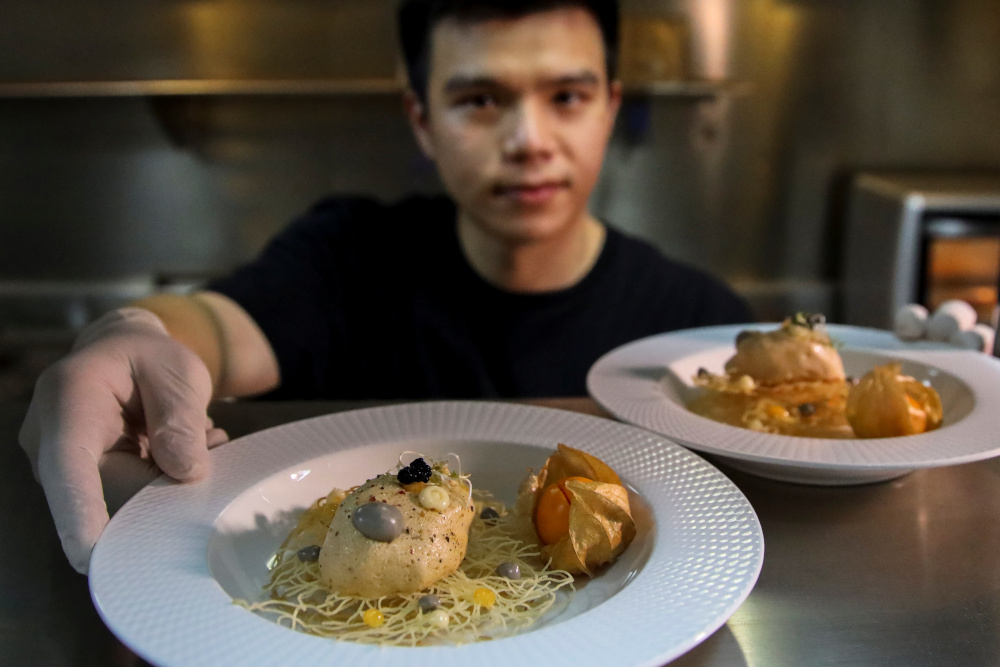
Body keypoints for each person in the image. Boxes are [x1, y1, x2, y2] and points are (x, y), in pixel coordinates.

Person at [19, 0, 751, 574]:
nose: (529, 139)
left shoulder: (697, 328)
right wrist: (130, 335)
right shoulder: (347, 257)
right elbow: (214, 325)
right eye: (481, 100)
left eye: (566, 94)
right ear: (422, 119)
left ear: (610, 107)